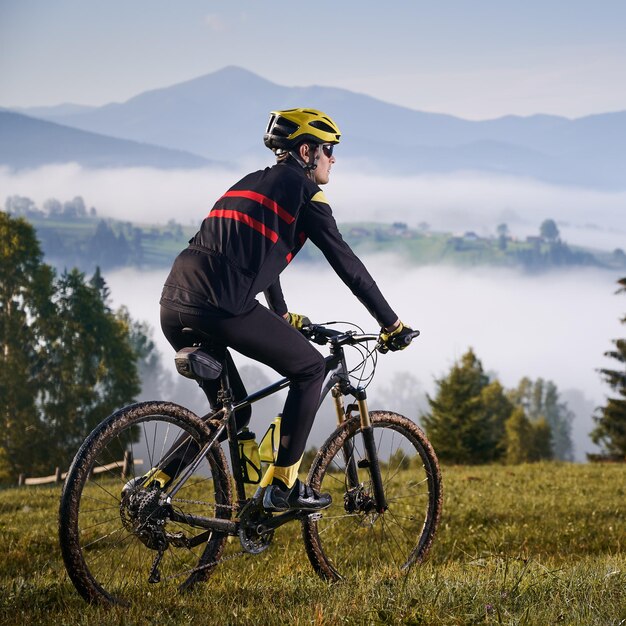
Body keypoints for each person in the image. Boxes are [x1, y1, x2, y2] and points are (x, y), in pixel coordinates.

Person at [158, 108, 415, 512]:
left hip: (174, 299)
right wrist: (391, 323)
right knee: (311, 369)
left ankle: (155, 487)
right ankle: (283, 487)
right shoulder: (304, 191)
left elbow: (258, 253)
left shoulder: (249, 183)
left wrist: (280, 315)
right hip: (221, 302)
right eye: (329, 149)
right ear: (307, 150)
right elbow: (347, 263)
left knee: (233, 412)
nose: (334, 159)